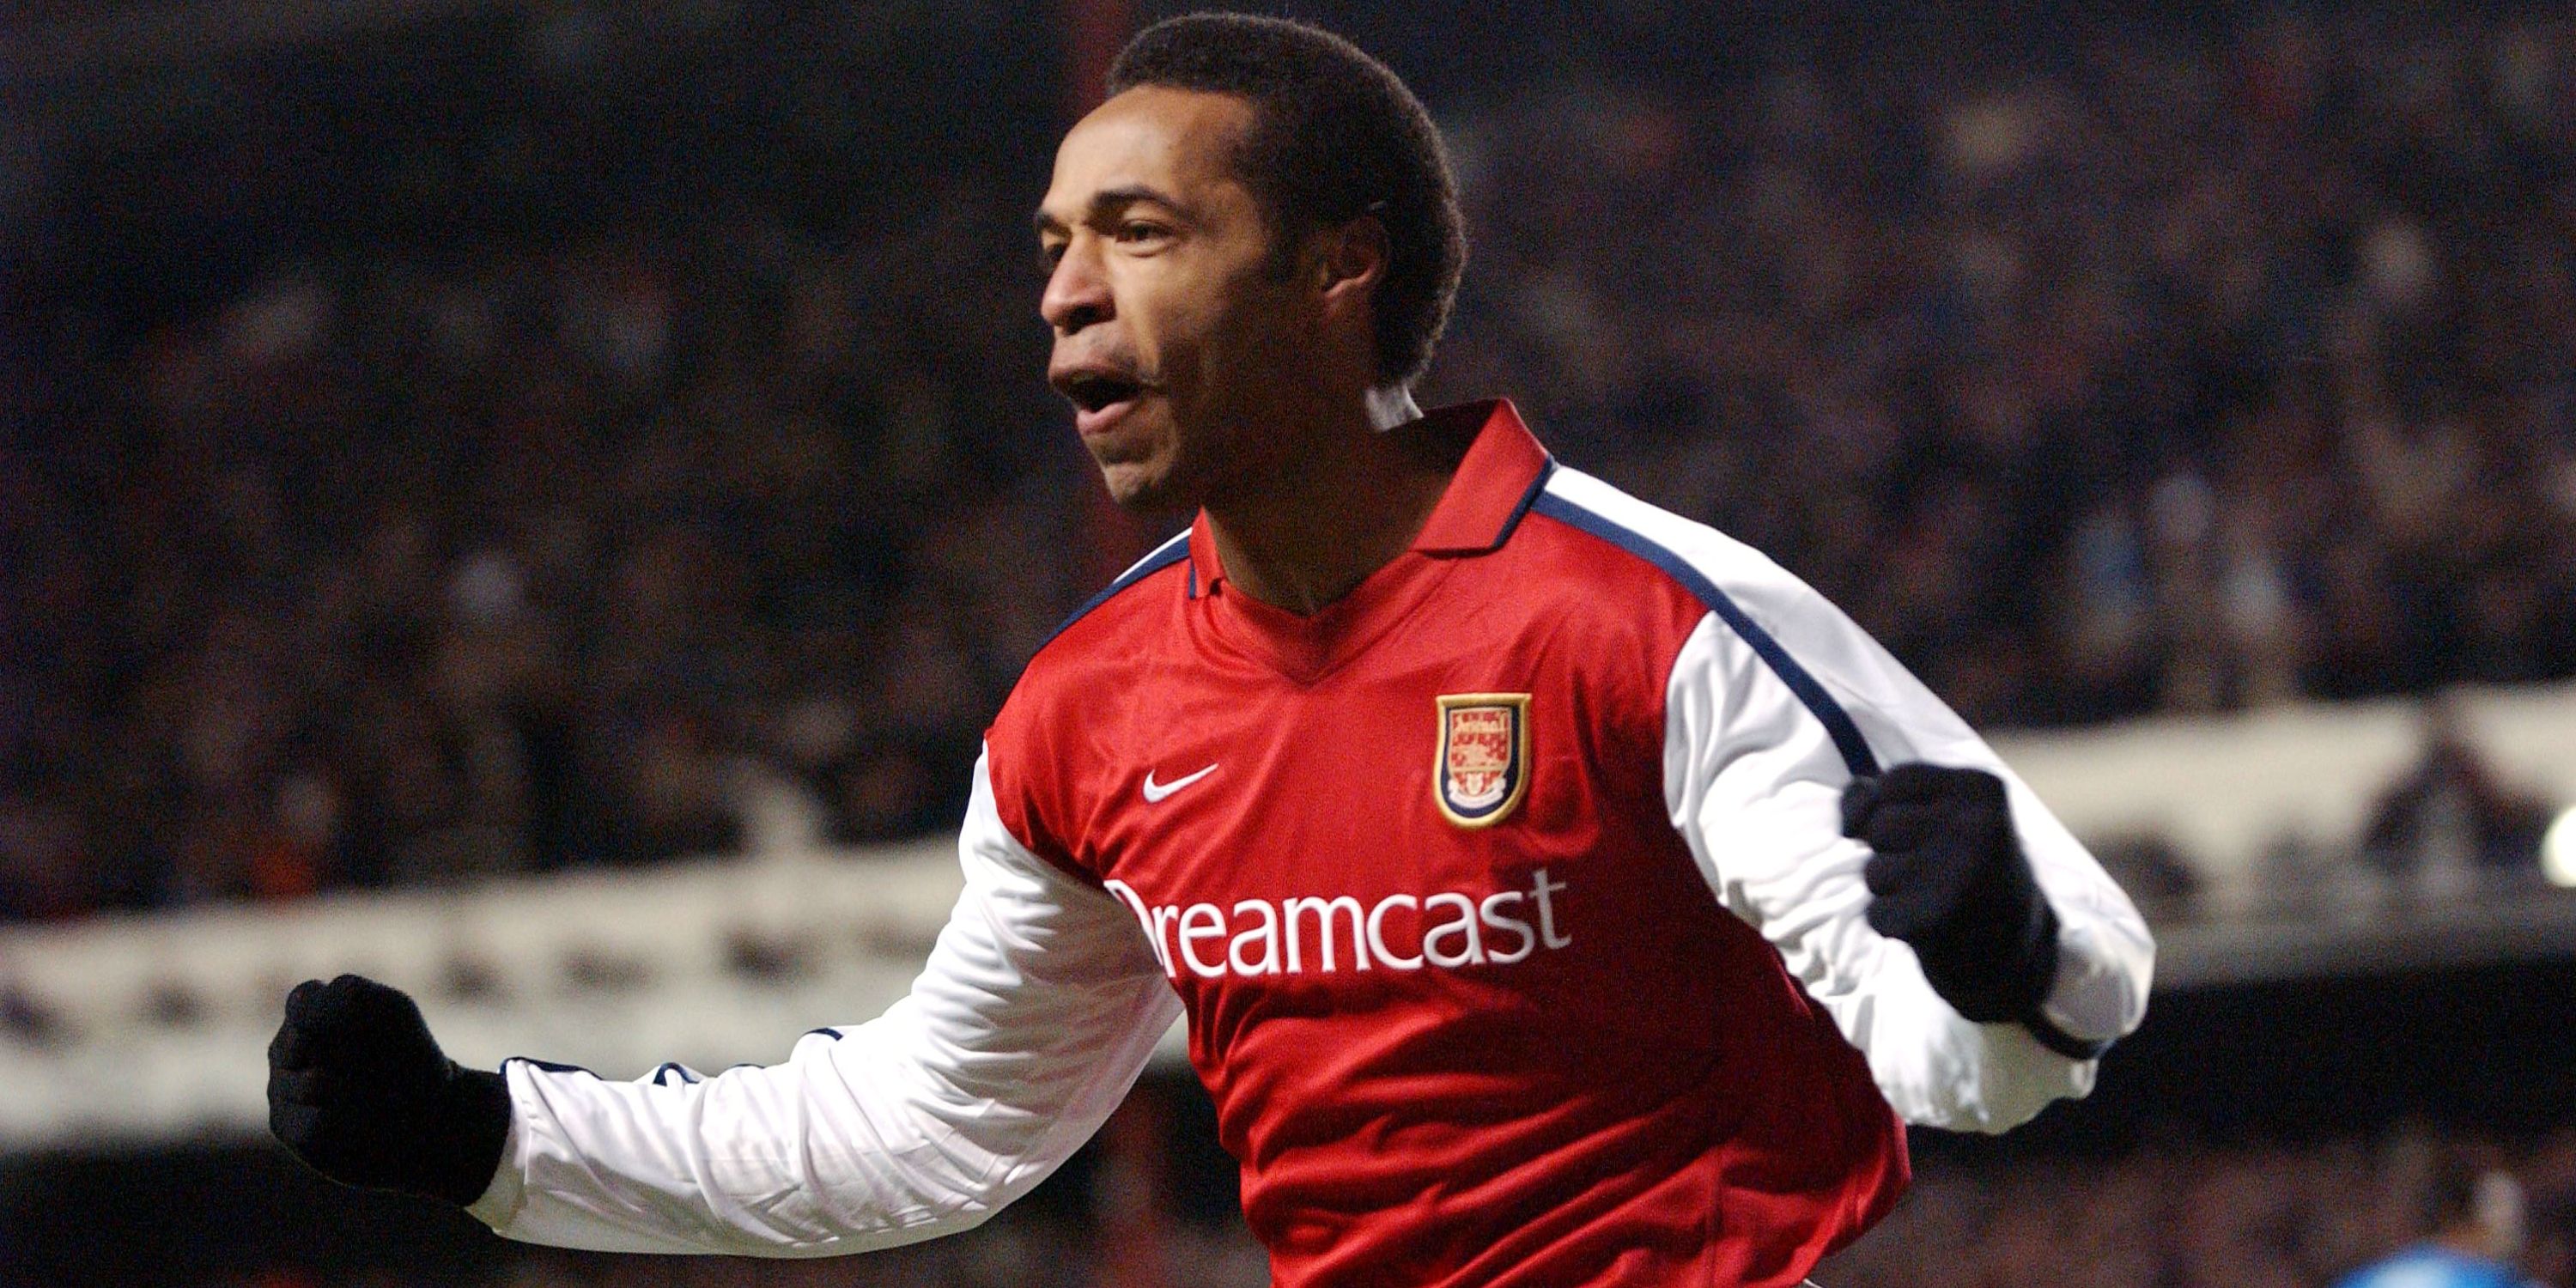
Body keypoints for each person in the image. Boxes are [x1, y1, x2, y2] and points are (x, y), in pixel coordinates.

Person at [266, 15, 2153, 1286]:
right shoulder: (1087, 714)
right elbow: (931, 1127)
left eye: (1142, 232)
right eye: (1054, 244)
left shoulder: (1643, 618)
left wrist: (1995, 961)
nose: (1067, 292)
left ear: (1339, 271)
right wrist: (487, 1135)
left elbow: (1977, 1058)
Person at [2334, 1158, 2541, 1288]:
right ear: (2456, 1218)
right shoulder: (2495, 1281)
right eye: (2497, 1215)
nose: (2511, 1233)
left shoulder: (2368, 1278)